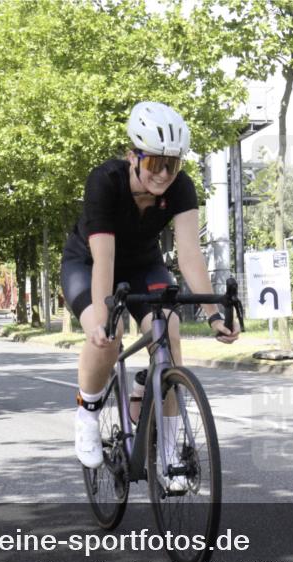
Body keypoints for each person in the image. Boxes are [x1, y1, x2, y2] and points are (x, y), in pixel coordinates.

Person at [60, 101, 239, 482]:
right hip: (89, 263)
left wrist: (213, 316)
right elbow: (104, 260)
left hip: (144, 265)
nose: (163, 174)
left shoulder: (181, 188)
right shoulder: (104, 182)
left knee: (169, 334)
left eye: (171, 165)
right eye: (155, 163)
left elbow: (190, 254)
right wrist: (104, 319)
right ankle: (87, 413)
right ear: (133, 157)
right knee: (107, 337)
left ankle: (171, 451)